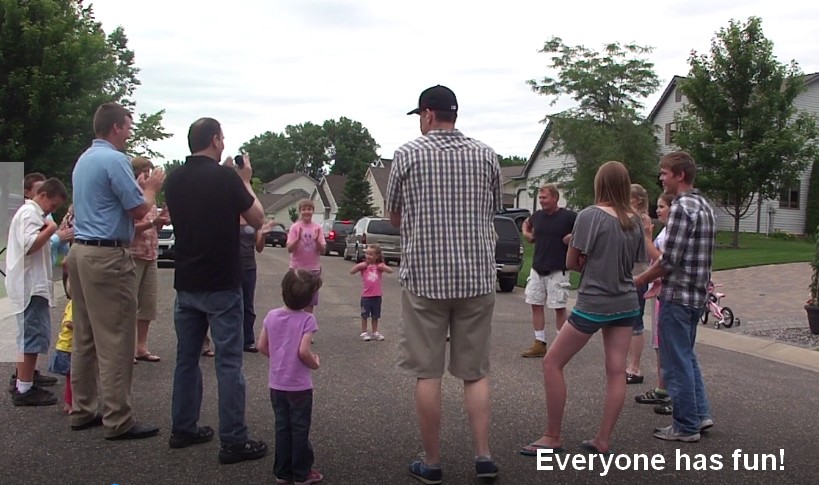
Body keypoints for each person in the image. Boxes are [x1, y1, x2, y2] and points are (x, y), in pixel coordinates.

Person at [386, 84, 501, 483]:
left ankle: (432, 462)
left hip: (425, 278)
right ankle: (483, 456)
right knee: (475, 372)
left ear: (428, 114)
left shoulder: (406, 155)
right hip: (476, 277)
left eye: (420, 115)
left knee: (428, 372)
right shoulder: (487, 156)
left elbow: (395, 216)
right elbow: (492, 211)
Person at [521, 161, 645, 456]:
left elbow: (570, 261)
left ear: (599, 184)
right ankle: (602, 439)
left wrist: (585, 262)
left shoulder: (590, 215)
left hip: (594, 303)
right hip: (626, 303)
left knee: (552, 362)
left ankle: (552, 436)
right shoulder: (635, 219)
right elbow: (636, 263)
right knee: (616, 371)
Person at [164, 117, 268, 464]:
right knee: (228, 362)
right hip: (222, 281)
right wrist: (245, 181)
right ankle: (234, 439)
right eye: (222, 137)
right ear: (214, 140)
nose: (224, 142)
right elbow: (256, 218)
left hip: (187, 280)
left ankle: (183, 427)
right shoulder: (226, 178)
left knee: (187, 359)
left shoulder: (175, 179)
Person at [67, 102, 165, 439]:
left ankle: (82, 409)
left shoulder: (84, 160)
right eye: (128, 125)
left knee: (84, 335)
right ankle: (118, 419)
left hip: (80, 252)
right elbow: (138, 208)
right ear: (116, 128)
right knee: (117, 338)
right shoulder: (115, 160)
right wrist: (151, 187)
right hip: (107, 257)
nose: (131, 130)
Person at [635, 151, 716, 442]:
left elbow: (670, 260)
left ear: (679, 175)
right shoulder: (704, 205)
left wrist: (640, 281)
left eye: (665, 172)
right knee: (687, 357)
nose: (661, 177)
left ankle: (685, 425)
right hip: (696, 297)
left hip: (678, 297)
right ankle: (700, 414)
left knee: (674, 362)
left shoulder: (682, 208)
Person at [6, 178, 69, 406]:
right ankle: (24, 388)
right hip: (29, 285)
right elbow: (30, 245)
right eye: (52, 205)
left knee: (33, 335)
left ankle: (27, 379)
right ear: (42, 195)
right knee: (31, 336)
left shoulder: (32, 214)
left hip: (32, 284)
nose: (52, 210)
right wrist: (52, 229)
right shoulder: (29, 214)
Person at [258, 269, 324, 485]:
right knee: (299, 428)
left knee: (282, 427)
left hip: (277, 384)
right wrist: (314, 362)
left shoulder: (271, 316)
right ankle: (302, 472)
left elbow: (262, 346)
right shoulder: (307, 319)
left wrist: (277, 357)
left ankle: (282, 471)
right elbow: (303, 351)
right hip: (299, 386)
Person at [520, 184, 576, 358]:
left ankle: (562, 345)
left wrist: (572, 238)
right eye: (540, 198)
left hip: (558, 269)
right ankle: (540, 343)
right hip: (537, 268)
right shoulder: (537, 216)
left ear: (555, 198)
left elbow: (586, 231)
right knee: (535, 304)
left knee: (559, 307)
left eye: (544, 197)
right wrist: (526, 234)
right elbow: (526, 223)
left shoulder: (568, 217)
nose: (541, 201)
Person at [635, 192, 676, 415]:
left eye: (662, 206)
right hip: (658, 291)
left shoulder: (671, 233)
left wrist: (648, 238)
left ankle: (673, 393)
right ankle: (662, 388)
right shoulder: (667, 230)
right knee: (659, 343)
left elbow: (662, 259)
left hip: (668, 291)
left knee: (668, 344)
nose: (658, 210)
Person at [130, 157, 170, 363]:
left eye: (149, 171)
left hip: (151, 254)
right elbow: (127, 228)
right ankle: (126, 348)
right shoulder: (131, 195)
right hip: (133, 255)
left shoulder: (151, 198)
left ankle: (141, 346)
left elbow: (154, 227)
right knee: (129, 304)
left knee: (147, 304)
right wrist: (152, 223)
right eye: (144, 171)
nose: (147, 175)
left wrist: (160, 221)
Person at [239, 215, 277, 353]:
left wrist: (262, 234)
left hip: (249, 266)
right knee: (230, 304)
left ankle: (247, 340)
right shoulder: (228, 216)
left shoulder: (253, 221)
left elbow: (259, 248)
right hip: (231, 267)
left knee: (247, 304)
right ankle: (231, 339)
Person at [625, 183, 651, 383]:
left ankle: (635, 366)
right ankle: (628, 364)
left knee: (635, 320)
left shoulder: (641, 220)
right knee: (625, 321)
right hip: (626, 274)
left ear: (638, 200)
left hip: (637, 275)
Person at [286, 199, 325, 314]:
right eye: (304, 209)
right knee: (294, 299)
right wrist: (297, 239)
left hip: (313, 269)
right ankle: (294, 326)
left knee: (310, 302)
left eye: (309, 209)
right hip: (297, 268)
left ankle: (306, 327)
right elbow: (289, 249)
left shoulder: (318, 228)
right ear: (300, 211)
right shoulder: (295, 227)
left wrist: (317, 240)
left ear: (313, 211)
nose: (306, 212)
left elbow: (322, 250)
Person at [349, 243, 393, 341]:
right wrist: (361, 265)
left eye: (371, 254)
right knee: (364, 315)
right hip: (366, 296)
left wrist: (383, 267)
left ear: (377, 256)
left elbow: (390, 271)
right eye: (367, 254)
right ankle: (364, 332)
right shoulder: (364, 267)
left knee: (375, 316)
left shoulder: (379, 266)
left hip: (377, 295)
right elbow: (352, 271)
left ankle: (374, 332)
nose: (368, 256)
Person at [49, 261, 74, 414]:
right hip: (69, 348)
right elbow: (70, 323)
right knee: (73, 378)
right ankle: (70, 404)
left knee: (71, 379)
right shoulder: (76, 304)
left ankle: (70, 402)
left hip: (66, 348)